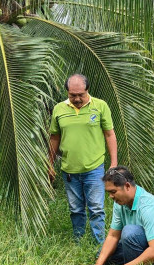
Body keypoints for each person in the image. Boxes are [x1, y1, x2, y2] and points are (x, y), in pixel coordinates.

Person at [49, 74, 117, 243]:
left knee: (96, 208)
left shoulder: (100, 106)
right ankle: (78, 240)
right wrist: (49, 164)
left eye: (81, 94)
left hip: (94, 169)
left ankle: (99, 243)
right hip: (69, 170)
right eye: (73, 95)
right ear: (67, 92)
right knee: (75, 209)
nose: (77, 99)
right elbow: (54, 138)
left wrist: (114, 163)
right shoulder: (59, 109)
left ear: (88, 90)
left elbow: (109, 134)